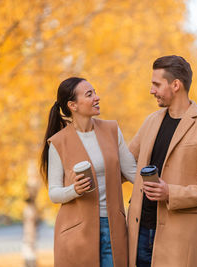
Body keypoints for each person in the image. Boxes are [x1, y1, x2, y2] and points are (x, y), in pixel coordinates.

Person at [127, 56, 197, 267]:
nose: (151, 90)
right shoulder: (151, 121)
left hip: (179, 239)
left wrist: (170, 193)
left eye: (156, 84)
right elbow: (125, 163)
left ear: (176, 85)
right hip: (139, 233)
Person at [40, 77, 136, 267]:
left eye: (95, 92)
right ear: (73, 105)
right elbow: (54, 193)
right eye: (89, 94)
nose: (97, 98)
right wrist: (74, 190)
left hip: (113, 228)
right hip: (76, 234)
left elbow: (132, 171)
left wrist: (163, 188)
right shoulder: (58, 143)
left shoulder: (112, 130)